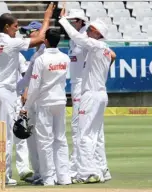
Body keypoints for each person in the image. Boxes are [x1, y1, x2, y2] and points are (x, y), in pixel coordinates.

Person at [0, 3, 55, 185]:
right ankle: (4, 175)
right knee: (5, 135)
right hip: (4, 93)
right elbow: (40, 39)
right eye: (15, 27)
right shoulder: (11, 43)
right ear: (7, 27)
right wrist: (46, 18)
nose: (17, 30)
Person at [59, 8, 116, 184]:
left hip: (90, 95)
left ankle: (86, 172)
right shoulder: (105, 48)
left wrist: (62, 20)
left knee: (83, 134)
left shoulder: (97, 45)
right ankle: (98, 169)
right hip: (100, 95)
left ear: (98, 33)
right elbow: (113, 55)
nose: (88, 31)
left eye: (91, 29)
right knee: (93, 134)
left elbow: (77, 37)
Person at [0, 26, 34, 181]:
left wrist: (25, 92)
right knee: (4, 135)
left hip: (14, 96)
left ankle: (23, 169)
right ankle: (5, 173)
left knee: (19, 134)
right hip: (2, 97)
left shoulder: (15, 53)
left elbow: (25, 73)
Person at [22, 29, 71, 186]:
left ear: (46, 41)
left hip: (45, 102)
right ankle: (64, 177)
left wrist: (26, 106)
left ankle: (48, 178)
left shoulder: (41, 59)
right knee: (60, 139)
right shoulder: (65, 58)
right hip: (60, 101)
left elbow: (34, 86)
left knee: (45, 141)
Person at [17, 21, 47, 183]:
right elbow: (26, 79)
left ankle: (45, 173)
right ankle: (38, 173)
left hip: (39, 100)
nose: (28, 36)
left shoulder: (44, 54)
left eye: (30, 32)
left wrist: (26, 93)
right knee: (31, 138)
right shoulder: (36, 54)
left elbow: (34, 81)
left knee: (40, 138)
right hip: (34, 100)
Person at [62, 9, 88, 179]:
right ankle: (88, 166)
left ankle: (76, 167)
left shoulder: (83, 37)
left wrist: (62, 19)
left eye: (73, 21)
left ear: (80, 21)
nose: (71, 24)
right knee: (79, 127)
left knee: (78, 127)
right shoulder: (74, 39)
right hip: (76, 85)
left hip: (82, 87)